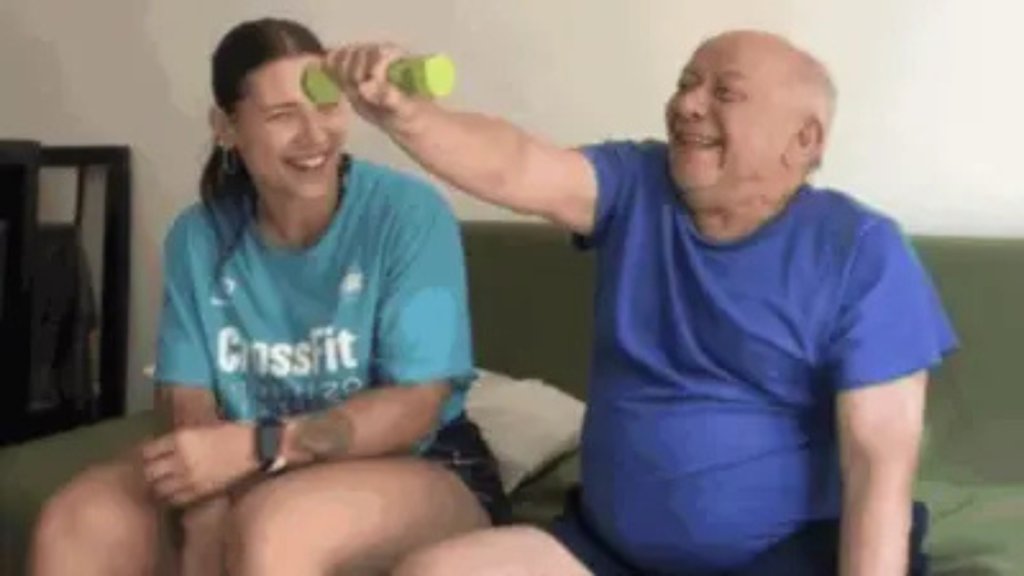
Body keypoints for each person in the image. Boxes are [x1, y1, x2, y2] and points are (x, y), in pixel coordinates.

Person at [322, 29, 958, 575]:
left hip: (788, 555)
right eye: (686, 83)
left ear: (804, 140)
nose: (687, 104)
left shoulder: (860, 252)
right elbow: (518, 165)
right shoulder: (636, 185)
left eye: (724, 93)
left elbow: (878, 466)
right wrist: (407, 114)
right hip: (608, 549)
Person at [29, 17, 508, 576]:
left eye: (325, 108)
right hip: (247, 458)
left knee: (275, 527)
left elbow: (415, 406)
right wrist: (205, 504)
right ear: (226, 128)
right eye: (283, 116)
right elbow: (187, 396)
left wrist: (258, 446)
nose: (314, 135)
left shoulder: (407, 215)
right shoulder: (199, 236)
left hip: (418, 462)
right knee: (75, 523)